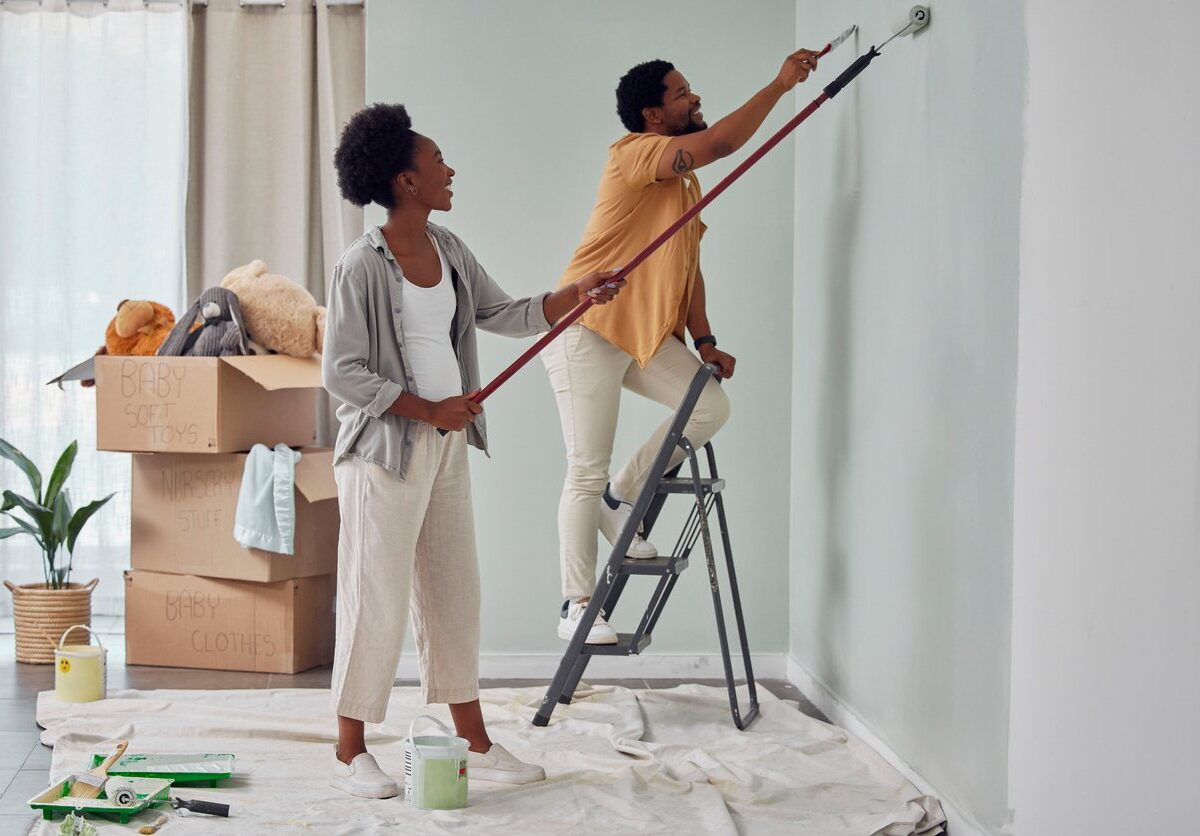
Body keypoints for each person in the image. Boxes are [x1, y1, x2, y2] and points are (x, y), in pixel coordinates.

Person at [323, 102, 623, 798]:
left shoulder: (449, 249)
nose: (449, 169)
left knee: (456, 592)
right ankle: (348, 749)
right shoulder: (360, 267)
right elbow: (342, 371)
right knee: (377, 601)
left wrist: (574, 296)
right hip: (383, 456)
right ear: (405, 180)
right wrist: (427, 407)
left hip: (448, 446)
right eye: (436, 162)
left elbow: (500, 313)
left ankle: (472, 738)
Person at [544, 50, 822, 644]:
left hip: (641, 334)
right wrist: (779, 84)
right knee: (583, 467)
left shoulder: (683, 182)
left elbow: (689, 265)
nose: (695, 99)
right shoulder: (634, 155)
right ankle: (576, 607)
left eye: (691, 91)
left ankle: (622, 501)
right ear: (653, 115)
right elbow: (722, 144)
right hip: (588, 331)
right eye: (682, 95)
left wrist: (706, 339)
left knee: (709, 407)